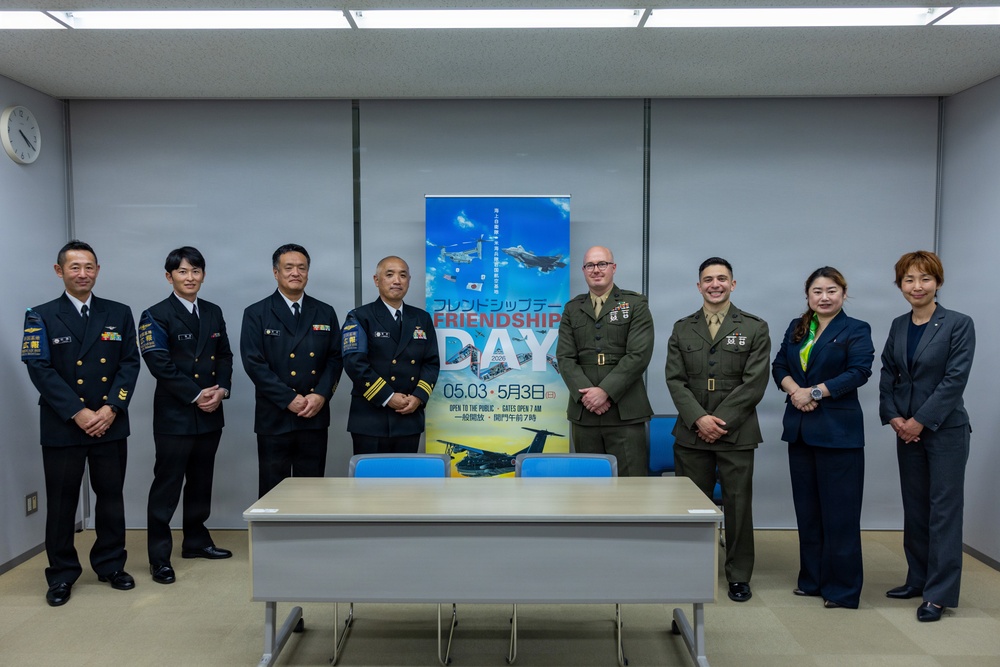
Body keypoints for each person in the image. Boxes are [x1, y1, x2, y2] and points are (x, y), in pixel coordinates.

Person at [21, 240, 141, 606]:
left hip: (109, 422)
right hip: (63, 424)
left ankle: (110, 565)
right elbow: (39, 367)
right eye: (74, 267)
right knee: (61, 504)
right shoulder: (40, 314)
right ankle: (61, 575)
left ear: (98, 271)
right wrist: (78, 411)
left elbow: (129, 363)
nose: (83, 273)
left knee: (110, 499)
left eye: (89, 267)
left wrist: (111, 408)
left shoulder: (118, 313)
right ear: (59, 271)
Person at [665, 257, 770, 602]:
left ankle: (738, 574)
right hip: (692, 433)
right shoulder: (682, 328)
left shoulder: (755, 327)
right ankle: (692, 566)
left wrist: (718, 421)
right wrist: (699, 419)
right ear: (699, 286)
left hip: (736, 434)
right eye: (708, 279)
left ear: (733, 284)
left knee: (738, 507)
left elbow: (754, 383)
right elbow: (675, 380)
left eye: (722, 279)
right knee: (693, 506)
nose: (715, 284)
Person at [879, 251, 975, 623]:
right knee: (916, 508)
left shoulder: (958, 323)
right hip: (906, 431)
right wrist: (894, 417)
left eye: (925, 279)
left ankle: (939, 593)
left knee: (944, 512)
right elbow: (888, 373)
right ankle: (917, 579)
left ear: (938, 282)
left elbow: (955, 380)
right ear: (900, 285)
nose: (916, 287)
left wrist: (919, 420)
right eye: (909, 280)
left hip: (945, 431)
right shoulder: (899, 325)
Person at [772, 266, 874, 610]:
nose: (824, 297)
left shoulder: (856, 329)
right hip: (801, 431)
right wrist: (796, 391)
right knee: (809, 512)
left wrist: (814, 393)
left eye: (831, 290)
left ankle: (843, 589)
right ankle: (812, 580)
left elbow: (859, 372)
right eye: (817, 291)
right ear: (808, 296)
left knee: (840, 515)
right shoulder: (799, 327)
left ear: (843, 294)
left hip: (838, 434)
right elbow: (779, 367)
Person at [138, 247, 233, 585]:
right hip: (175, 414)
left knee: (201, 481)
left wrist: (221, 389)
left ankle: (195, 541)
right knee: (167, 486)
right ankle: (159, 558)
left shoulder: (213, 310)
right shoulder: (154, 314)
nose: (190, 277)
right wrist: (197, 394)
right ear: (169, 277)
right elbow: (158, 364)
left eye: (195, 271)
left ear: (203, 275)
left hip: (211, 412)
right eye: (182, 272)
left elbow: (224, 355)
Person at [240, 244, 343, 497]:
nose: (295, 273)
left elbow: (335, 359)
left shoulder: (325, 311)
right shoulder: (256, 313)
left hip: (313, 412)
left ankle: (310, 537)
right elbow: (254, 363)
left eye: (301, 267)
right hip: (275, 414)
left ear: (308, 272)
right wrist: (288, 399)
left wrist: (321, 395)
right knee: (273, 488)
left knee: (312, 487)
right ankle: (273, 538)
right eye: (288, 268)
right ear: (276, 273)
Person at [556, 246, 654, 477]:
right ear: (583, 270)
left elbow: (639, 354)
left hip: (626, 412)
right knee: (589, 489)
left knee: (631, 487)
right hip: (585, 411)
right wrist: (588, 396)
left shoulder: (635, 304)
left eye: (602, 264)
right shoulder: (572, 309)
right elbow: (565, 357)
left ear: (613, 268)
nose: (596, 270)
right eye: (590, 265)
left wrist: (605, 392)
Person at [342, 256, 439, 454]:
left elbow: (431, 363)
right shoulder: (359, 316)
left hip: (409, 414)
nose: (397, 280)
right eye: (390, 274)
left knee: (405, 482)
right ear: (377, 280)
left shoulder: (421, 318)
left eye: (403, 275)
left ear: (409, 281)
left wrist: (419, 397)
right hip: (371, 417)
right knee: (370, 483)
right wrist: (387, 396)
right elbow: (354, 363)